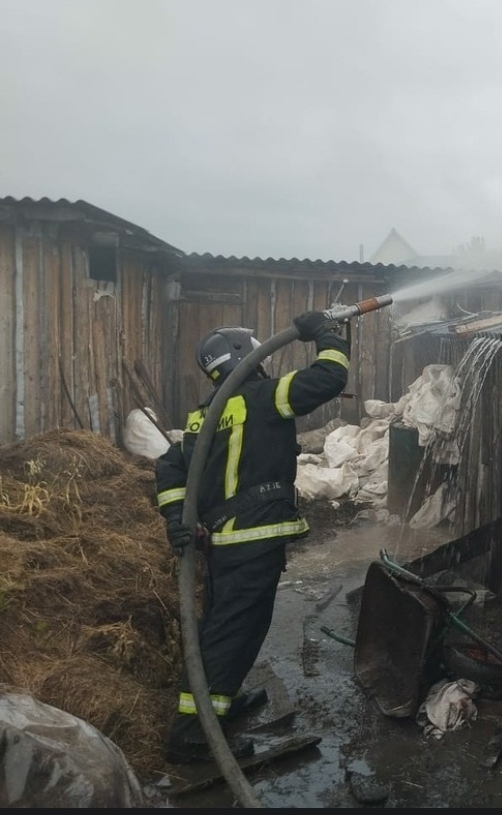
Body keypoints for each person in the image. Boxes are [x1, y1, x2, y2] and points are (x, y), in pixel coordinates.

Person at [154, 310, 349, 764]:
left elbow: (168, 465)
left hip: (223, 544)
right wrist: (326, 335)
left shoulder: (204, 417)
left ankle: (216, 705)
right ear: (247, 354)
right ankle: (192, 734)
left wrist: (175, 515)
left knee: (226, 626)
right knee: (233, 633)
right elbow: (329, 377)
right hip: (254, 538)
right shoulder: (262, 397)